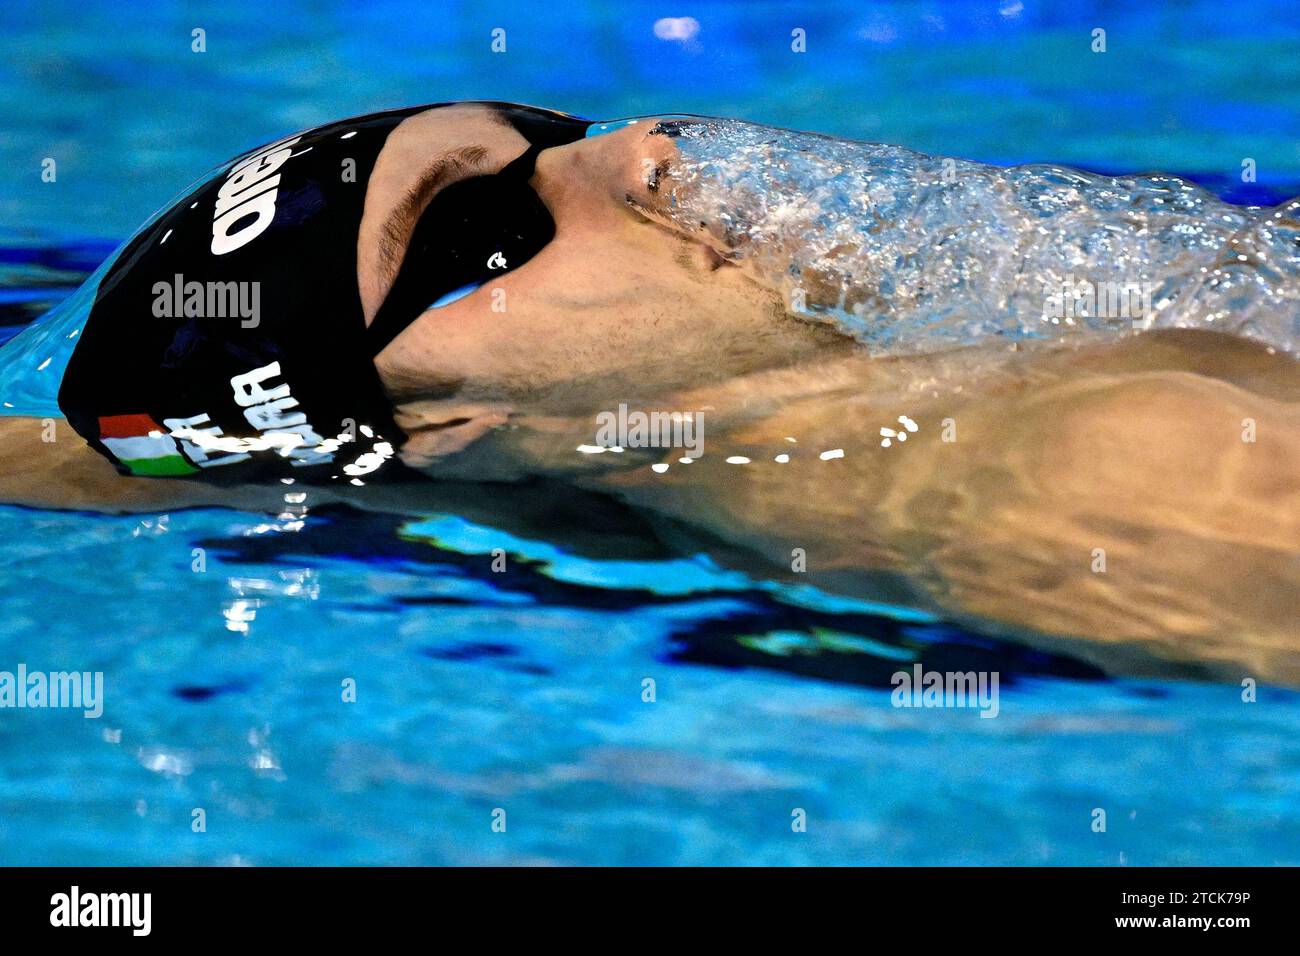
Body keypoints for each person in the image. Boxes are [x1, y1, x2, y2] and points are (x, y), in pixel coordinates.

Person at [1, 101, 1296, 681]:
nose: (636, 150)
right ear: (442, 424)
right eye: (484, 235)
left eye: (546, 131)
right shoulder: (1122, 465)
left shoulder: (570, 477)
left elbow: (176, 453)